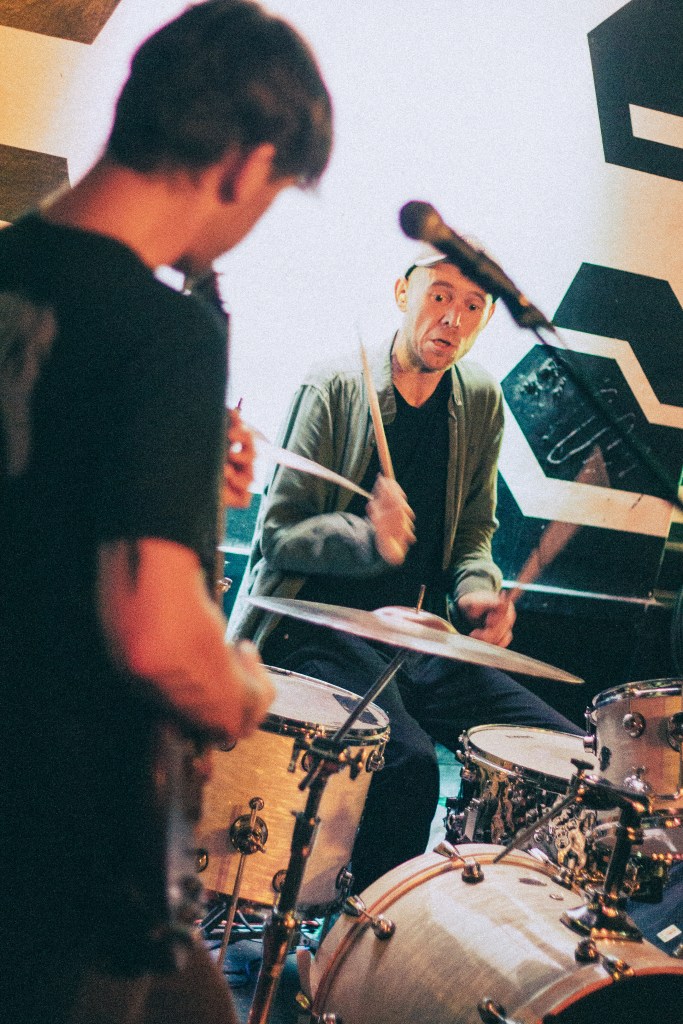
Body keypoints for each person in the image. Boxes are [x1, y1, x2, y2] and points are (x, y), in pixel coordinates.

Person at [0, 2, 332, 1022]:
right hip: (59, 829)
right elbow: (155, 637)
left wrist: (179, 478)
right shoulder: (167, 332)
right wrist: (238, 688)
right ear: (245, 163)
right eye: (271, 194)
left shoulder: (12, 265)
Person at [229, 247, 583, 894]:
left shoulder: (480, 400)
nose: (453, 318)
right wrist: (369, 541)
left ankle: (485, 923)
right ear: (403, 294)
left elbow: (474, 535)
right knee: (408, 765)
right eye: (439, 295)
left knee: (563, 756)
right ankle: (360, 937)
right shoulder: (334, 388)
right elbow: (278, 537)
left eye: (472, 305)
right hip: (319, 633)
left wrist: (477, 594)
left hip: (419, 637)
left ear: (486, 319)